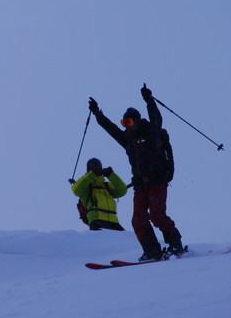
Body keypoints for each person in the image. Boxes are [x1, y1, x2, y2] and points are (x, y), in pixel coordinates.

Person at [88, 85, 184, 261]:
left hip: (156, 181)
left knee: (157, 215)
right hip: (140, 185)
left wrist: (149, 100)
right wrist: (97, 114)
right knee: (138, 220)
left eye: (129, 122)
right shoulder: (128, 140)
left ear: (138, 121)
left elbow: (156, 118)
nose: (127, 127)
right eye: (124, 123)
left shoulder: (152, 135)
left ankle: (175, 244)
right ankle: (152, 251)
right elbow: (111, 129)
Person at [71, 158, 127, 231]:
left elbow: (122, 190)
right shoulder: (86, 186)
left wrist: (111, 175)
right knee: (118, 241)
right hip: (96, 219)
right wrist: (92, 174)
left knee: (122, 241)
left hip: (114, 221)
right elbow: (76, 190)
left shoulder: (106, 186)